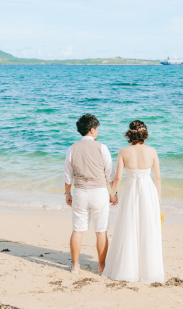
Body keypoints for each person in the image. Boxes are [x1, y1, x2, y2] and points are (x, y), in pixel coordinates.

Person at [102, 120, 165, 283]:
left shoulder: (123, 151)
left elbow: (117, 177)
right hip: (148, 190)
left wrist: (112, 193)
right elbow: (157, 177)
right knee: (148, 226)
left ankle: (127, 269)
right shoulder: (152, 151)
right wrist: (158, 197)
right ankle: (149, 270)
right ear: (145, 134)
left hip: (131, 190)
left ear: (129, 134)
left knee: (128, 225)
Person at [63, 113, 117, 274]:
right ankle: (101, 266)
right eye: (97, 129)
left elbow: (67, 175)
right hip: (99, 192)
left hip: (80, 192)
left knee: (78, 230)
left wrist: (67, 194)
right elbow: (110, 174)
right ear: (92, 130)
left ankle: (75, 265)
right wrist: (113, 193)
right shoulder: (102, 147)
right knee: (101, 231)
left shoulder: (72, 149)